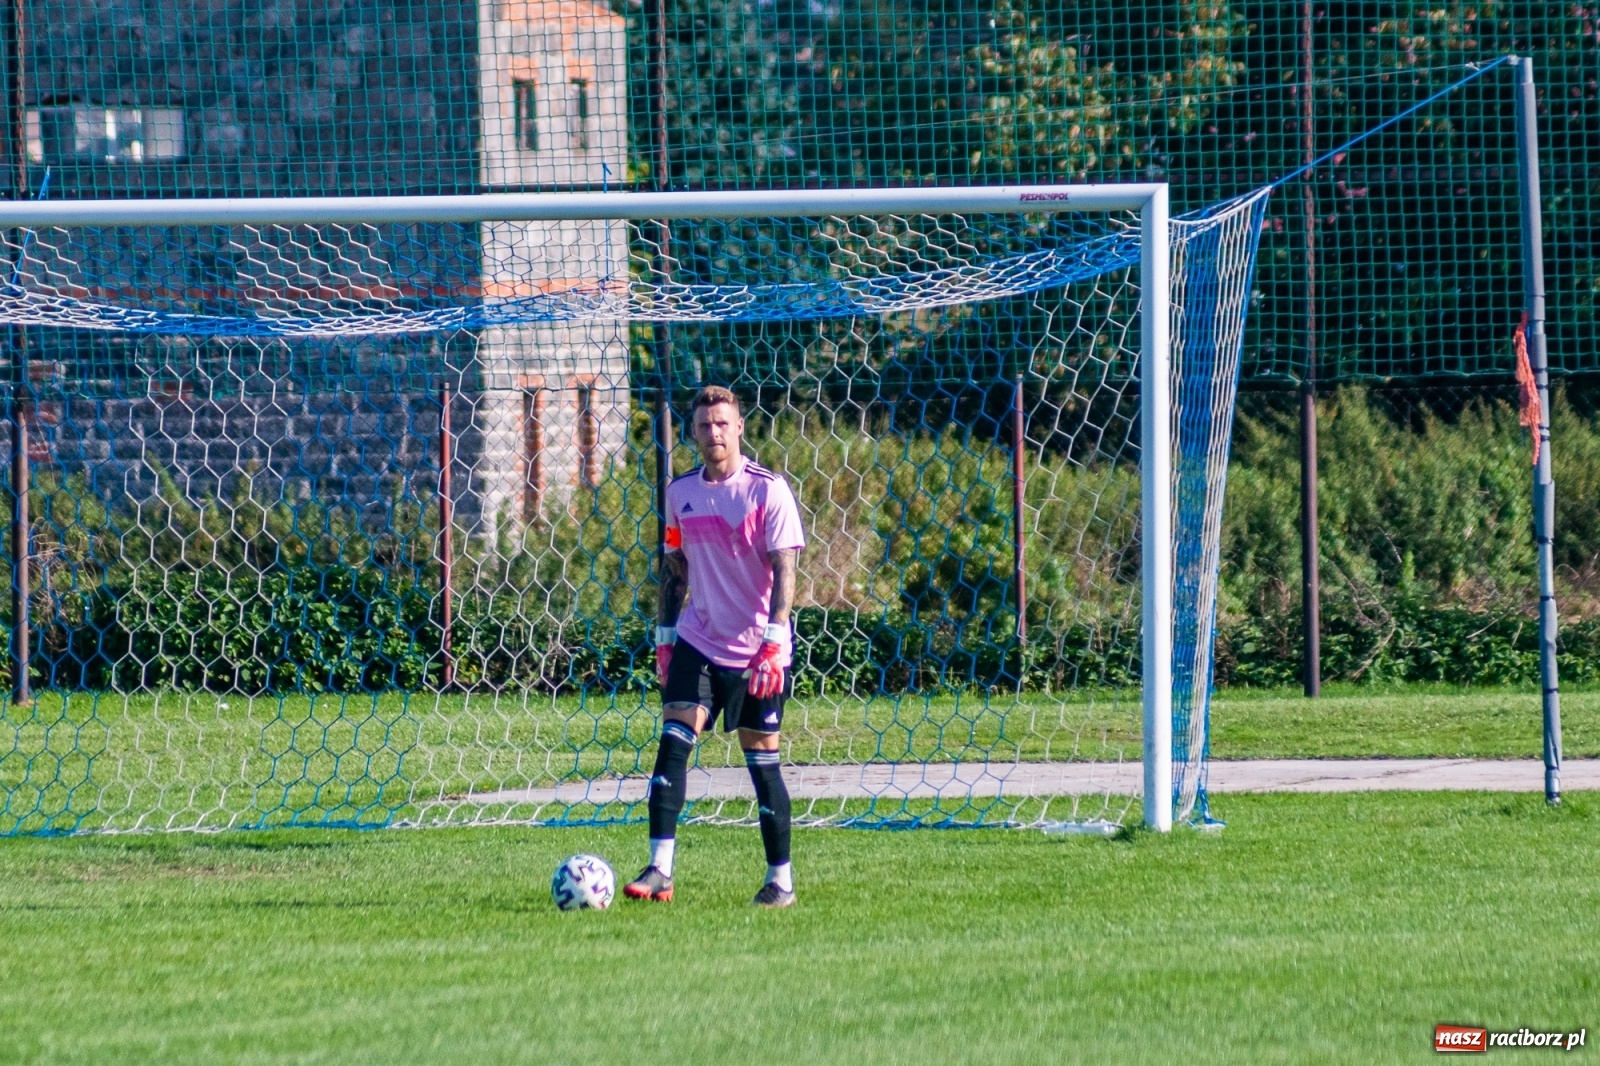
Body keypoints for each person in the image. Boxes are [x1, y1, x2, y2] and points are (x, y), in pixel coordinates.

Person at [623, 385, 805, 908]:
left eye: (723, 423)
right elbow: (674, 567)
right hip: (698, 637)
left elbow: (786, 569)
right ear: (694, 432)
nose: (714, 433)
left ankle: (781, 882)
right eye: (705, 425)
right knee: (674, 738)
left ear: (740, 427)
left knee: (761, 760)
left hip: (757, 650)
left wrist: (774, 642)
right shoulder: (681, 492)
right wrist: (663, 638)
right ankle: (660, 869)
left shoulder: (767, 491)